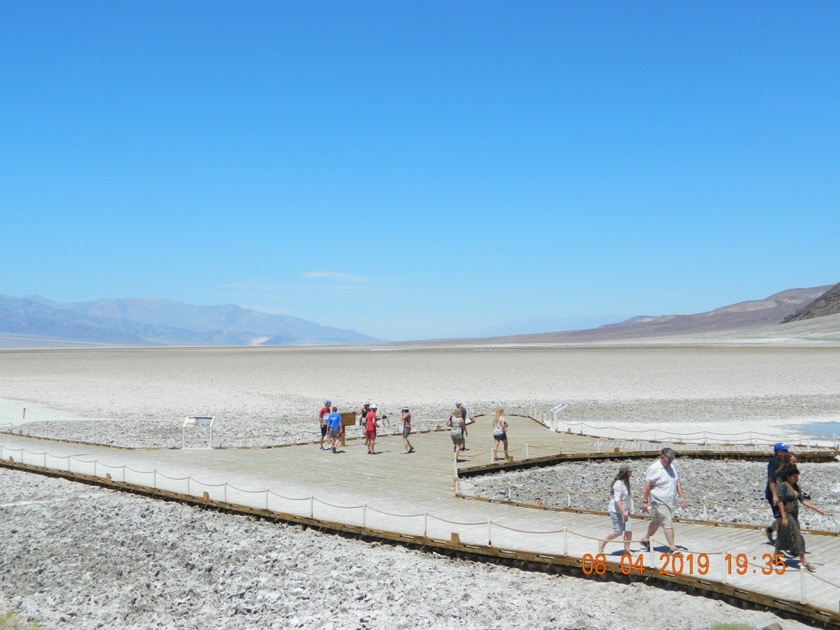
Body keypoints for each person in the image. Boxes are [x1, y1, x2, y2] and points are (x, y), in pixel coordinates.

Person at [775, 466, 824, 572]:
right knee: (798, 537)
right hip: (787, 514)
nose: (796, 479)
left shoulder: (796, 486)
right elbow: (780, 502)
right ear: (788, 476)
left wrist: (816, 508)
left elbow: (803, 501)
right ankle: (805, 563)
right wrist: (783, 517)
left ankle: (775, 558)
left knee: (782, 536)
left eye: (797, 477)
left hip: (794, 515)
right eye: (794, 477)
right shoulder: (783, 486)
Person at [640, 447, 687, 555]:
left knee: (656, 521)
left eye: (671, 461)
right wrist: (645, 501)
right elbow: (647, 485)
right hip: (658, 500)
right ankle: (672, 548)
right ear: (662, 457)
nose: (669, 463)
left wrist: (682, 496)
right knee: (667, 522)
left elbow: (676, 482)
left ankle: (645, 540)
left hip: (669, 501)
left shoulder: (671, 466)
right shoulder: (654, 468)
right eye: (667, 461)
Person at [599, 464, 633, 555]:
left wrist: (627, 511)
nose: (631, 473)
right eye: (629, 471)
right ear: (625, 472)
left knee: (629, 531)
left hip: (626, 510)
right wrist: (623, 512)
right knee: (618, 532)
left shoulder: (626, 482)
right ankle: (602, 542)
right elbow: (617, 499)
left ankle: (627, 550)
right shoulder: (618, 484)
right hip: (617, 511)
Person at [764, 442, 790, 543]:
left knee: (785, 516)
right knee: (780, 517)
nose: (787, 452)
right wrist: (774, 495)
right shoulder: (773, 462)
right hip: (773, 494)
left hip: (784, 493)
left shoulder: (785, 462)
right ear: (779, 452)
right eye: (785, 450)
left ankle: (770, 530)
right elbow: (771, 480)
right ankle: (783, 542)